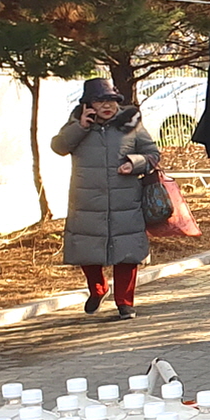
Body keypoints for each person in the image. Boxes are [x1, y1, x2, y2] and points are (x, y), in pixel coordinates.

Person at [52, 78, 162, 320]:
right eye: (101, 101)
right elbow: (58, 147)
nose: (108, 106)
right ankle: (98, 289)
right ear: (88, 104)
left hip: (126, 202)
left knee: (127, 254)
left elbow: (153, 154)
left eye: (112, 100)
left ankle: (125, 302)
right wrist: (81, 126)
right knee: (88, 252)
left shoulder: (130, 125)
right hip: (87, 202)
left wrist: (134, 164)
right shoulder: (77, 125)